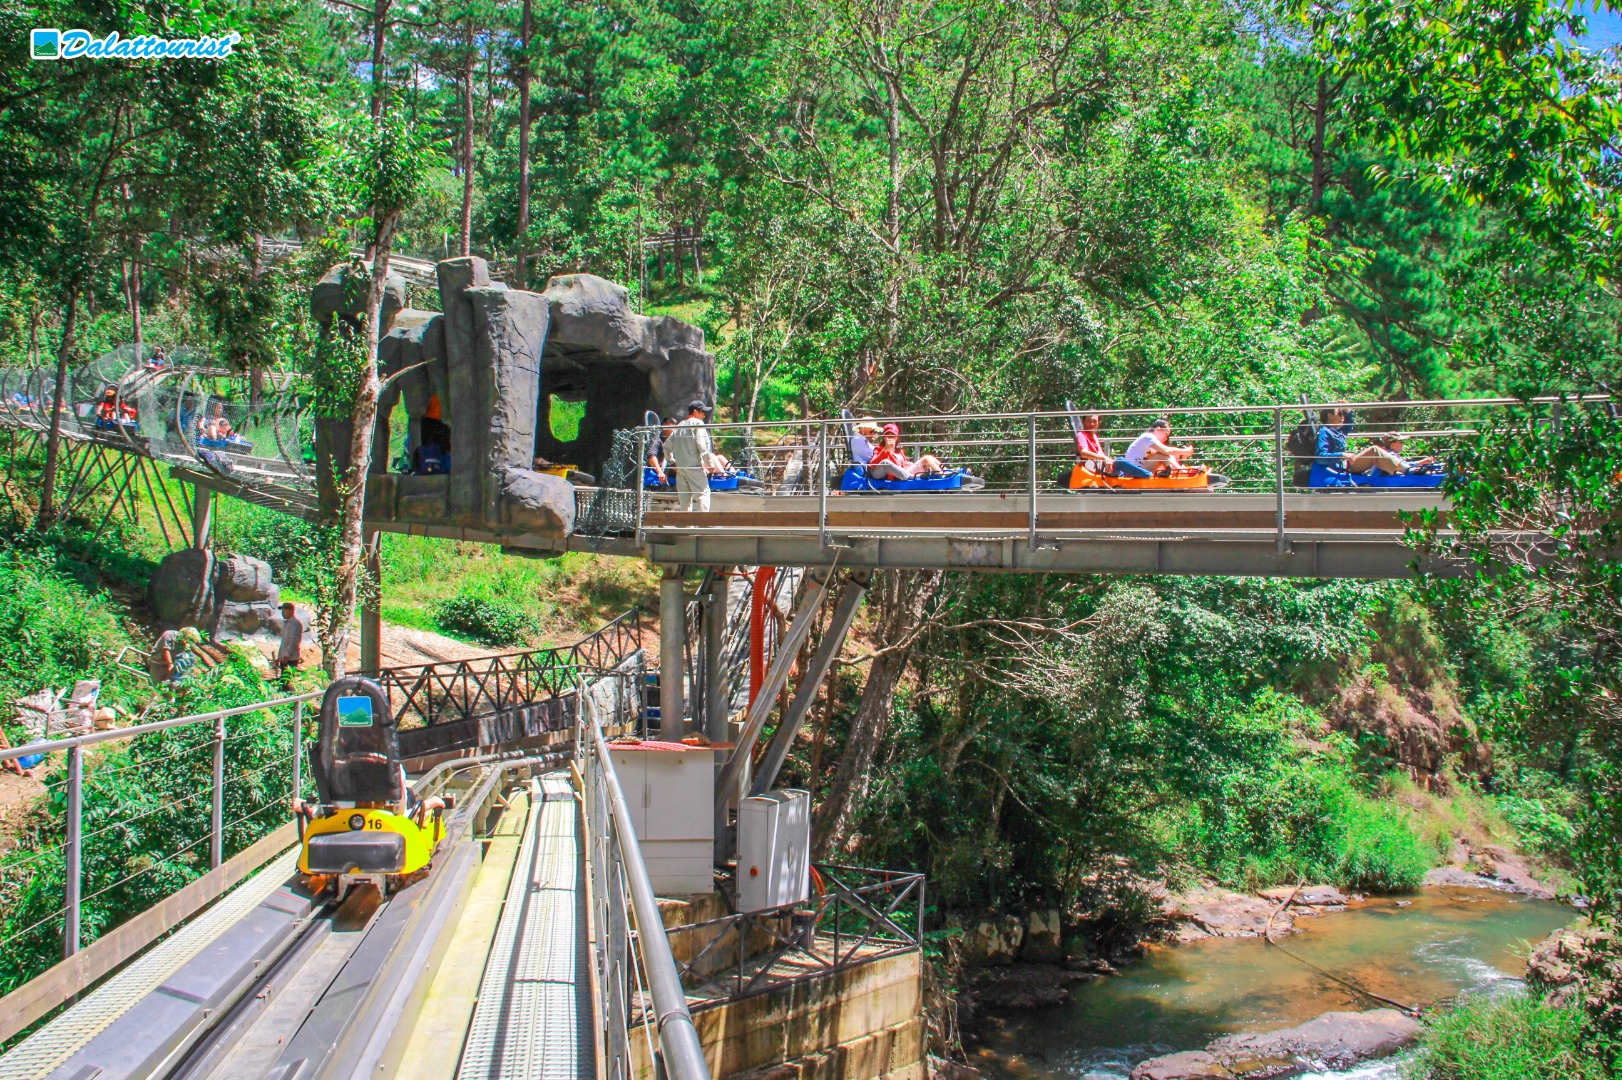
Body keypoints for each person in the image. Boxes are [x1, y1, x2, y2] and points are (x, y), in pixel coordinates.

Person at [1316, 407, 1403, 475]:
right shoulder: (1325, 432)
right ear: (1329, 415)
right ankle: (1405, 469)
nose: (1342, 416)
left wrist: (1348, 411)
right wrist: (1342, 455)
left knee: (1375, 453)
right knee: (1374, 451)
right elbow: (1320, 457)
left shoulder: (1337, 432)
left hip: (1346, 464)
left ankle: (1403, 467)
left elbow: (1349, 426)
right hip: (1342, 467)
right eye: (1339, 413)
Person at [666, 400, 716, 511]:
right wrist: (710, 464)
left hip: (681, 470)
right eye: (702, 411)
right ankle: (702, 525)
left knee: (685, 502)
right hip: (694, 467)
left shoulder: (679, 426)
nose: (704, 414)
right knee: (703, 495)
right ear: (695, 411)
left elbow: (666, 447)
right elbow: (702, 446)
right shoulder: (698, 424)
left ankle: (687, 526)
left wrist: (672, 462)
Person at [869, 423, 945, 480]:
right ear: (884, 437)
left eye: (893, 436)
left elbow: (905, 464)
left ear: (897, 437)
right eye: (888, 436)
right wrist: (885, 450)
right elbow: (872, 464)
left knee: (928, 458)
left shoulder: (899, 449)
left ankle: (945, 470)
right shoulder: (879, 449)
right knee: (926, 458)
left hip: (904, 471)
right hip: (897, 476)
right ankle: (942, 475)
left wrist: (913, 466)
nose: (891, 438)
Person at [1122, 419, 1194, 477]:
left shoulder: (1150, 442)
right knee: (1161, 454)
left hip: (1138, 469)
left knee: (1162, 455)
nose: (1166, 438)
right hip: (1133, 472)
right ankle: (1183, 473)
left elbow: (1168, 455)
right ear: (1158, 429)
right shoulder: (1148, 437)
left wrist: (1181, 455)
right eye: (1166, 435)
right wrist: (1185, 451)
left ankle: (1181, 472)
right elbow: (1166, 450)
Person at [647, 417, 675, 485]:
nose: (671, 429)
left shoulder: (677, 442)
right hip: (660, 475)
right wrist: (660, 472)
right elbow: (651, 456)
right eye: (668, 426)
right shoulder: (657, 440)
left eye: (672, 427)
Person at [277, 603, 304, 673]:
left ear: (291, 611)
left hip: (291, 658)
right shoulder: (285, 623)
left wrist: (287, 655)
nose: (283, 613)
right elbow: (283, 642)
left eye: (284, 611)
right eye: (282, 611)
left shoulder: (295, 624)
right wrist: (279, 656)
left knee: (287, 679)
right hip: (284, 657)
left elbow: (294, 641)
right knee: (282, 680)